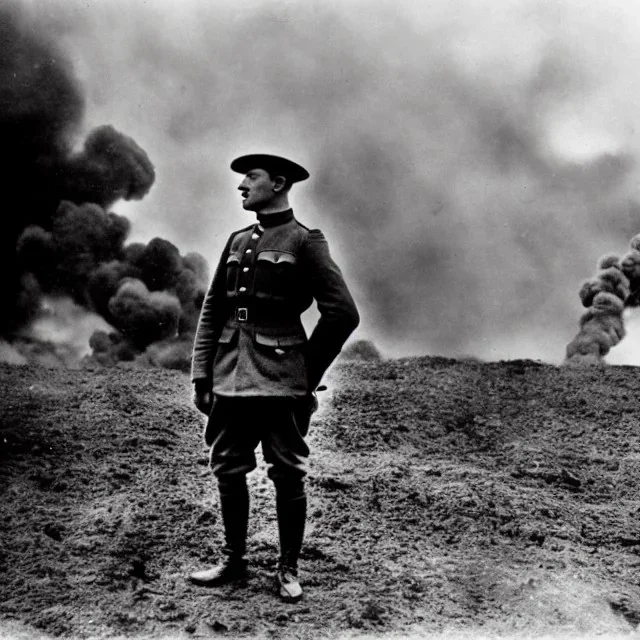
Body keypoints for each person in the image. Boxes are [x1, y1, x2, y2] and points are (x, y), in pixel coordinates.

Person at [189, 153, 359, 603]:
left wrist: (305, 373)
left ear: (278, 183)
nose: (242, 185)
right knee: (228, 466)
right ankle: (232, 559)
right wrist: (201, 375)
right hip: (230, 373)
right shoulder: (238, 239)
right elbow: (213, 312)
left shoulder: (305, 241)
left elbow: (342, 313)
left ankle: (287, 568)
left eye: (252, 177)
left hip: (281, 378)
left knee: (287, 472)